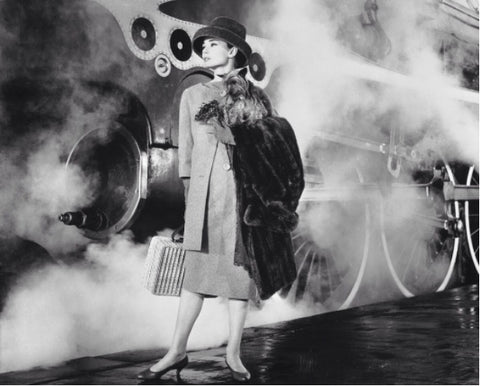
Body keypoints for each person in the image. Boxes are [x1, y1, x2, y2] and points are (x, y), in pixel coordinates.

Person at [138, 16, 256, 383]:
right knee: (195, 278)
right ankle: (176, 351)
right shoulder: (192, 95)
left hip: (241, 196)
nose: (204, 49)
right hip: (204, 197)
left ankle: (234, 353)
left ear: (233, 50)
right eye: (202, 45)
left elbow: (266, 149)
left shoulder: (254, 98)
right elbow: (186, 157)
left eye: (212, 44)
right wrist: (190, 205)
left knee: (240, 277)